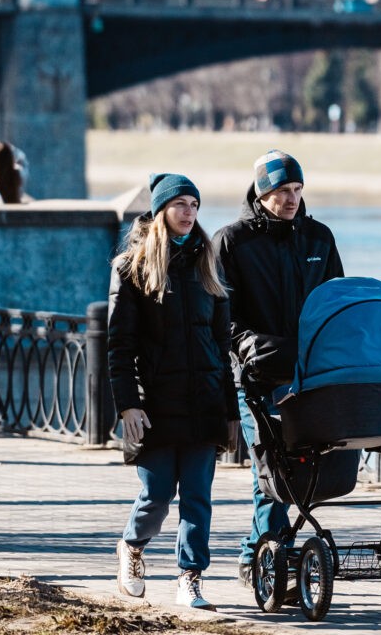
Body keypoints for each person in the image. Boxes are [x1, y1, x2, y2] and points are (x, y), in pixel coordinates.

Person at [214, 149, 344, 587]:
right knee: (270, 473)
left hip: (310, 377)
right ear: (261, 191)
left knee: (299, 473)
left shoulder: (319, 239)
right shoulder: (232, 241)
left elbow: (335, 304)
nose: (291, 199)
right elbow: (221, 315)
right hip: (256, 377)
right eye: (281, 191)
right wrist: (249, 346)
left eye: (296, 189)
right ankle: (266, 564)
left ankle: (262, 557)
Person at [108, 172, 237, 610]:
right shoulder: (132, 266)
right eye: (180, 204)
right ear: (161, 209)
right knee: (157, 496)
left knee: (198, 499)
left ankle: (190, 578)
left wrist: (231, 409)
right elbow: (119, 346)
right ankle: (132, 546)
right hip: (156, 405)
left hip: (204, 403)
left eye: (195, 205)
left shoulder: (208, 263)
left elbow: (222, 346)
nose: (189, 213)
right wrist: (127, 404)